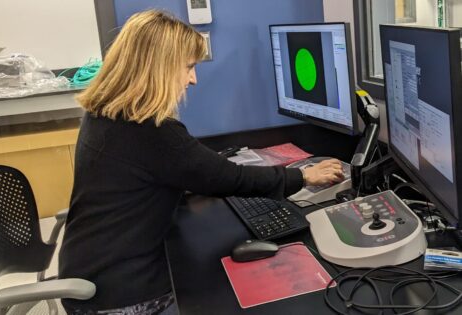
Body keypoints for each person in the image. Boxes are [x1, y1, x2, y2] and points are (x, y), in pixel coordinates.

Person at [58, 9, 344, 315]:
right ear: (159, 68)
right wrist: (303, 177)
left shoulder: (106, 114)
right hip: (121, 293)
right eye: (188, 67)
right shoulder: (149, 130)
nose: (193, 79)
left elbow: (180, 169)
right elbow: (227, 178)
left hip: (92, 264)